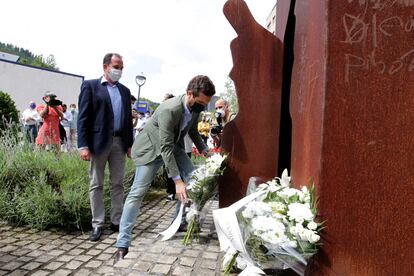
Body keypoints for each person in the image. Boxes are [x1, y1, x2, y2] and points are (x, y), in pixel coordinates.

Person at [114, 75, 216, 262]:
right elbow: (165, 148)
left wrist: (206, 151)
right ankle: (123, 242)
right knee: (138, 192)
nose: (203, 107)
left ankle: (177, 222)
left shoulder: (196, 107)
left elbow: (192, 131)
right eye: (201, 102)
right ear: (189, 93)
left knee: (193, 179)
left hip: (171, 146)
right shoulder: (169, 109)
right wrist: (177, 181)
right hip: (151, 151)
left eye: (206, 103)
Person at [77, 53, 134, 242]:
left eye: (121, 67)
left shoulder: (125, 91)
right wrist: (83, 145)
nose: (119, 70)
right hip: (98, 143)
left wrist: (129, 144)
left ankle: (116, 221)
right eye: (116, 66)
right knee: (96, 184)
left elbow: (127, 121)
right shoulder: (91, 86)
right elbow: (83, 118)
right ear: (105, 67)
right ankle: (97, 224)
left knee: (117, 183)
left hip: (119, 142)